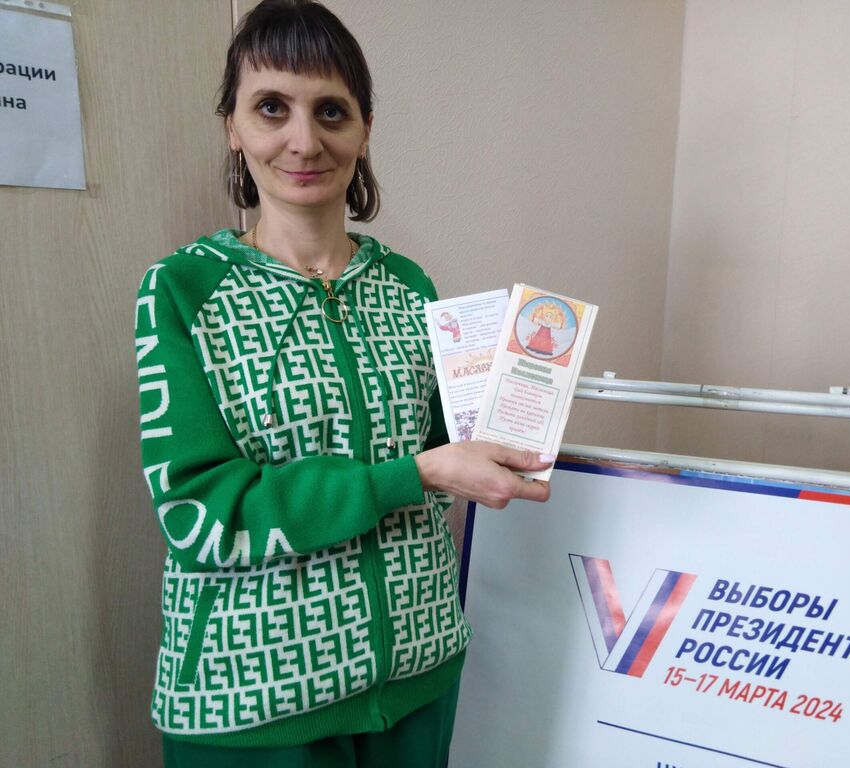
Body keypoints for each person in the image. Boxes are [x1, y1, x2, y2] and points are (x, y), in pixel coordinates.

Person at [135, 2, 551, 765]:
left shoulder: (408, 286)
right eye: (272, 108)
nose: (304, 140)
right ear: (233, 126)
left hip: (420, 678)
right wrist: (410, 475)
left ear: (364, 131)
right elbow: (199, 514)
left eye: (331, 111)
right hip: (255, 702)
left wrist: (518, 409)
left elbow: (444, 460)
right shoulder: (185, 289)